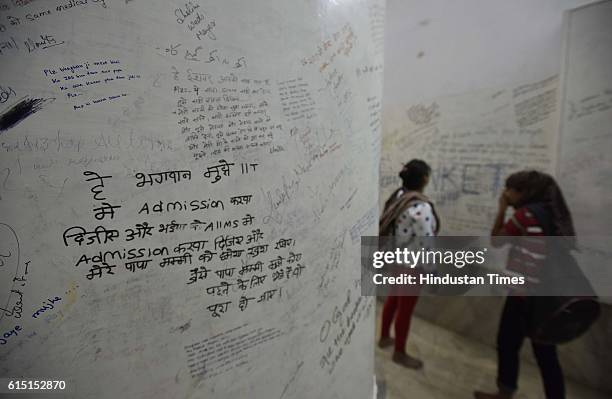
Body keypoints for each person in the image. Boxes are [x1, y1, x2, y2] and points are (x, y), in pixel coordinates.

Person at [475, 170, 575, 399]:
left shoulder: (525, 215)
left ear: (522, 192)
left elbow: (497, 240)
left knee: (507, 343)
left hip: (523, 295)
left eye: (509, 189)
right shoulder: (549, 213)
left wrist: (502, 208)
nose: (506, 193)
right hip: (547, 295)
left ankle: (505, 392)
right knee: (546, 354)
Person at [378, 159, 440, 369]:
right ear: (424, 179)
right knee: (405, 309)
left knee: (393, 300)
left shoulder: (399, 196)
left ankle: (385, 337)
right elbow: (427, 242)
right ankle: (399, 353)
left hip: (396, 259)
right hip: (412, 266)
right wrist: (432, 271)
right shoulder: (420, 207)